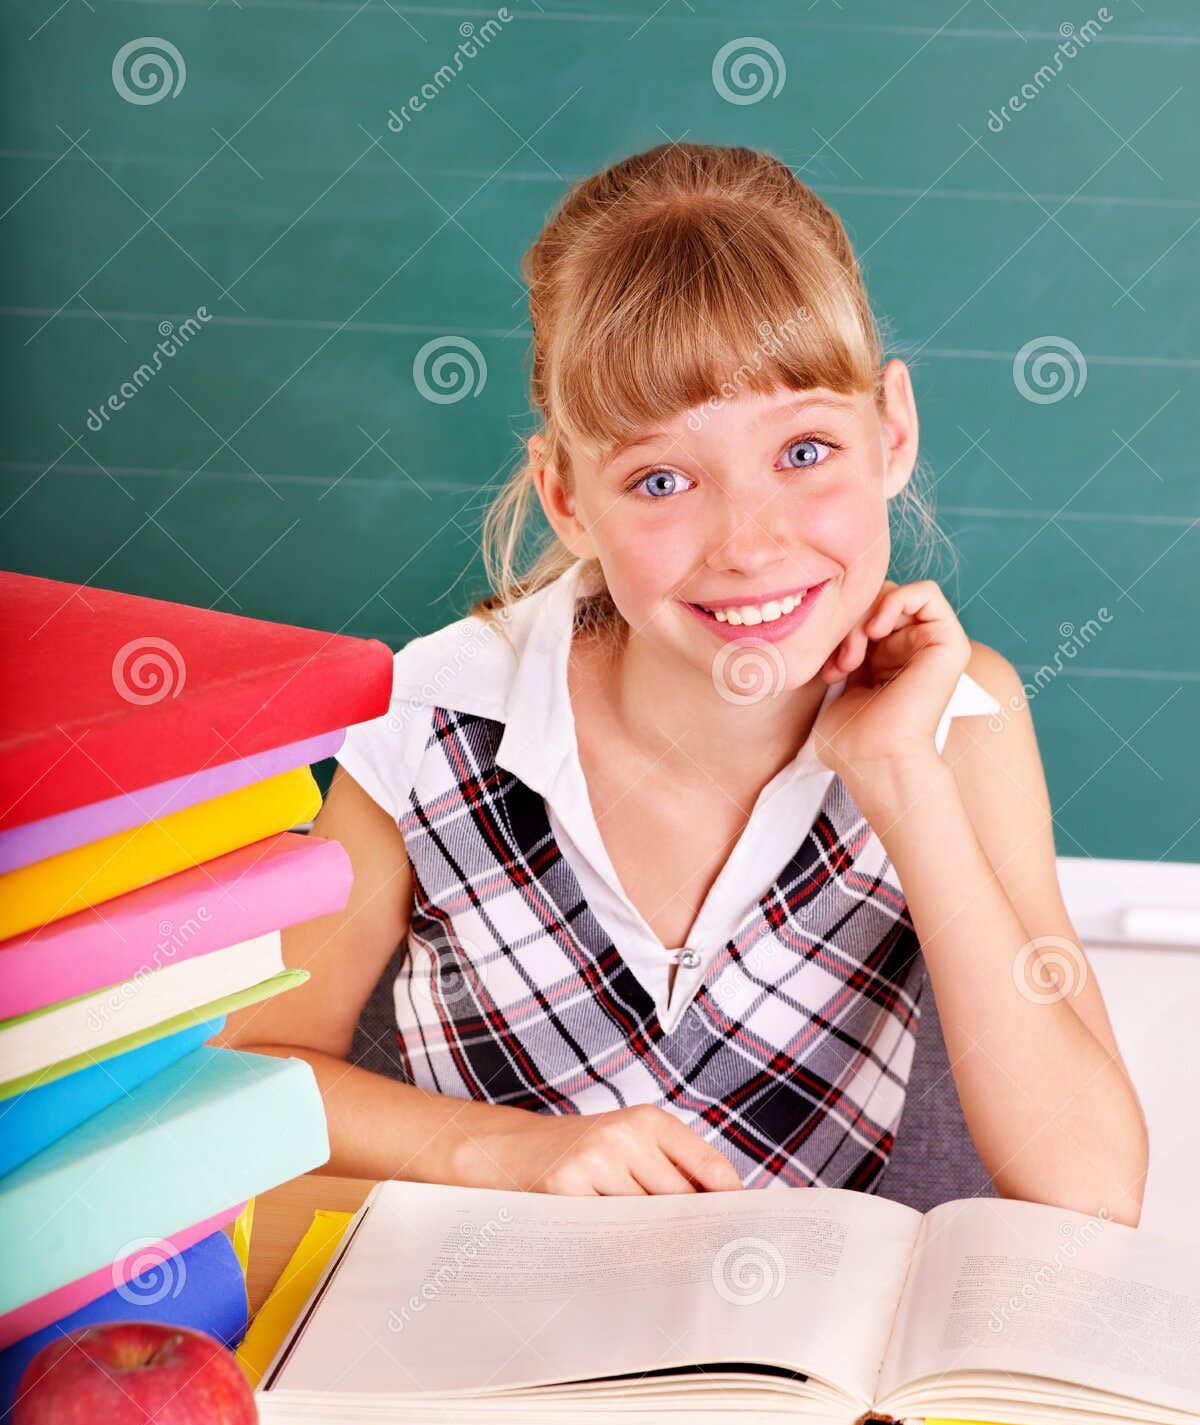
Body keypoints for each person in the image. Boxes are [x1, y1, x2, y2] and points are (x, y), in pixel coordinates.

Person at [217, 142, 1146, 1221]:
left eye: (804, 451)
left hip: (790, 1376)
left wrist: (900, 774)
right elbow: (242, 1081)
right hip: (490, 1358)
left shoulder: (956, 719)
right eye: (661, 479)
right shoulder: (438, 718)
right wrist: (503, 1150)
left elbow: (1091, 1187)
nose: (749, 544)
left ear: (890, 432)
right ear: (567, 501)